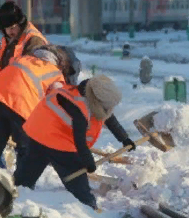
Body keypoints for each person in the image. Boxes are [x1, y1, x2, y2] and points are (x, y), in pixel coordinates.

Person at [14, 76, 137, 210]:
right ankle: (89, 206)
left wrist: (124, 138)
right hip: (56, 140)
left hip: (37, 132)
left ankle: (13, 193)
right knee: (76, 175)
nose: (109, 109)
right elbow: (79, 141)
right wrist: (88, 161)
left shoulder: (85, 94)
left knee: (27, 173)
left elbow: (109, 117)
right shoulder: (79, 108)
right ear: (97, 100)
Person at [0, 44, 79, 165]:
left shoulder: (22, 59)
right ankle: (21, 183)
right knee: (26, 151)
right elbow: (57, 107)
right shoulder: (55, 73)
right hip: (21, 106)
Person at [0, 1, 48, 74]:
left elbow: (32, 71)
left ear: (20, 23)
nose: (9, 31)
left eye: (12, 27)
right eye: (6, 28)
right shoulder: (11, 38)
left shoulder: (34, 41)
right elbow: (6, 58)